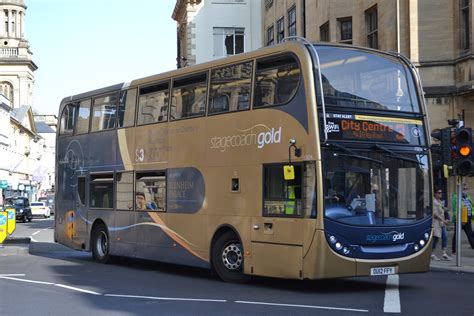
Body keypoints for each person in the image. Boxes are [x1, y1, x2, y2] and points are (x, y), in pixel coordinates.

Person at [451, 184, 474, 254]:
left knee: (470, 234)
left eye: (466, 188)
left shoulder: (468, 197)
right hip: (460, 219)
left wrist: (472, 214)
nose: (465, 190)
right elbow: (455, 209)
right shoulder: (456, 197)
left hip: (468, 218)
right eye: (464, 189)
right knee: (456, 234)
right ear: (460, 189)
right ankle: (454, 250)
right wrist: (460, 219)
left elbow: (472, 207)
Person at [432, 188, 451, 260]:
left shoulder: (439, 201)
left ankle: (444, 253)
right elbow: (435, 214)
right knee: (436, 238)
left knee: (445, 237)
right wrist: (444, 220)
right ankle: (432, 254)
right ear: (435, 193)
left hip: (441, 223)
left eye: (441, 192)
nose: (440, 194)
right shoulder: (434, 202)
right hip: (436, 223)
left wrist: (445, 209)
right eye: (439, 192)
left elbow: (441, 211)